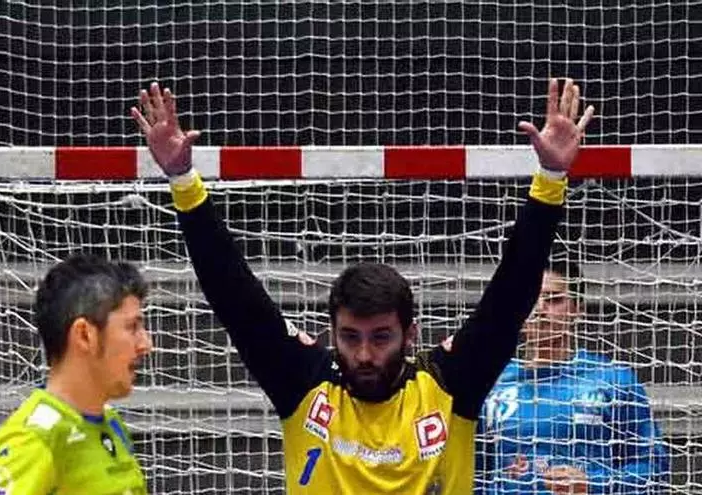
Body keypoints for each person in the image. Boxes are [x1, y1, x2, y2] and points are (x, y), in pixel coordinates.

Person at [131, 78, 594, 493]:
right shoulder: (305, 382)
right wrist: (183, 181)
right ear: (332, 332)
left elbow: (510, 295)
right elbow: (234, 295)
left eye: (381, 337)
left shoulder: (449, 384)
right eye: (350, 337)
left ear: (410, 335)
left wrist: (551, 179)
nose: (365, 354)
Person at [475, 256, 668, 494]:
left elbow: (654, 471)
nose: (539, 309)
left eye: (554, 299)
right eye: (529, 298)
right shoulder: (491, 385)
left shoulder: (614, 380)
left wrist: (592, 484)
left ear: (578, 310)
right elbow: (470, 475)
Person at [0, 254, 152, 494]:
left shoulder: (111, 423)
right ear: (84, 335)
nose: (146, 344)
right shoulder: (32, 440)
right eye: (132, 327)